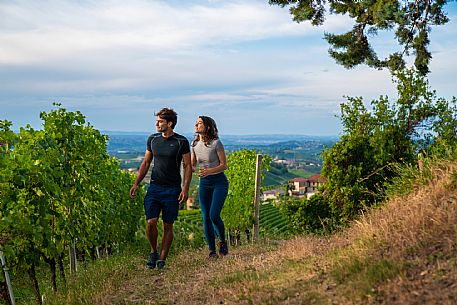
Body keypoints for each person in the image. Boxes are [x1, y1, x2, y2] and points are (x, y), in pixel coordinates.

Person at [130, 108, 192, 270]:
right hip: (154, 188)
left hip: (172, 189)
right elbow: (145, 163)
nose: (157, 124)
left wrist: (185, 189)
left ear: (169, 123)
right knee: (151, 222)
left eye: (160, 121)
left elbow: (187, 166)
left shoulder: (181, 142)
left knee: (167, 225)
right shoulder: (153, 139)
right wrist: (136, 183)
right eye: (157, 121)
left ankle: (162, 259)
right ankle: (153, 251)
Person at [191, 116, 229, 258]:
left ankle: (223, 241)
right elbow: (193, 164)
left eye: (199, 123)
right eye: (196, 123)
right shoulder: (194, 144)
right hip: (204, 184)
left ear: (207, 126)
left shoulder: (216, 143)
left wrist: (209, 171)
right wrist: (188, 167)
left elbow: (224, 165)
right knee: (205, 217)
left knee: (214, 215)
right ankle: (212, 251)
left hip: (219, 182)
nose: (196, 125)